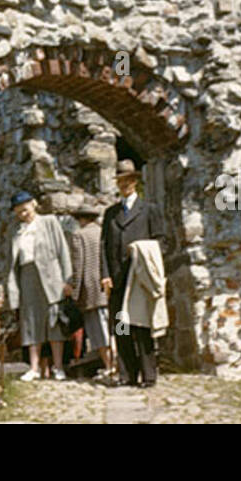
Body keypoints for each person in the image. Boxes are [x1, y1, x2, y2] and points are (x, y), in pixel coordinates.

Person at [101, 159, 165, 388]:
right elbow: (104, 246)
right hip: (117, 279)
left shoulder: (149, 211)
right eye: (120, 181)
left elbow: (160, 242)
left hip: (139, 279)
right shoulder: (110, 214)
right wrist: (105, 274)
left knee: (141, 327)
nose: (124, 185)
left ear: (135, 182)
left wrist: (144, 256)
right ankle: (127, 374)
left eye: (128, 180)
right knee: (121, 326)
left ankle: (148, 375)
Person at [4, 190, 72, 382]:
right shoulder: (15, 231)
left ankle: (58, 367)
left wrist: (67, 280)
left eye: (25, 209)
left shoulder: (49, 222)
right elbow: (11, 262)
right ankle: (34, 368)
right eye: (18, 212)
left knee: (54, 321)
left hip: (51, 277)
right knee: (30, 321)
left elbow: (62, 251)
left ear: (33, 204)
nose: (23, 214)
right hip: (27, 276)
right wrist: (10, 289)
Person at [64, 201, 115, 379]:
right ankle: (122, 363)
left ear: (80, 219)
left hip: (92, 290)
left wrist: (75, 292)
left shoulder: (79, 236)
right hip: (110, 287)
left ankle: (110, 366)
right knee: (118, 326)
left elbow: (78, 267)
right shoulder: (105, 232)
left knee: (98, 331)